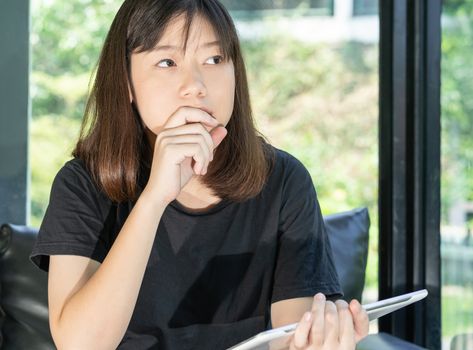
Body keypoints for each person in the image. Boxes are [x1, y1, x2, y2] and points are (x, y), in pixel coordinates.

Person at [29, 0, 369, 349]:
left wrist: (320, 341)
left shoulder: (284, 180)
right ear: (126, 83)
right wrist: (154, 199)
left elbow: (292, 335)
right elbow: (81, 344)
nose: (196, 85)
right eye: (167, 62)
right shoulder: (83, 184)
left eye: (214, 59)